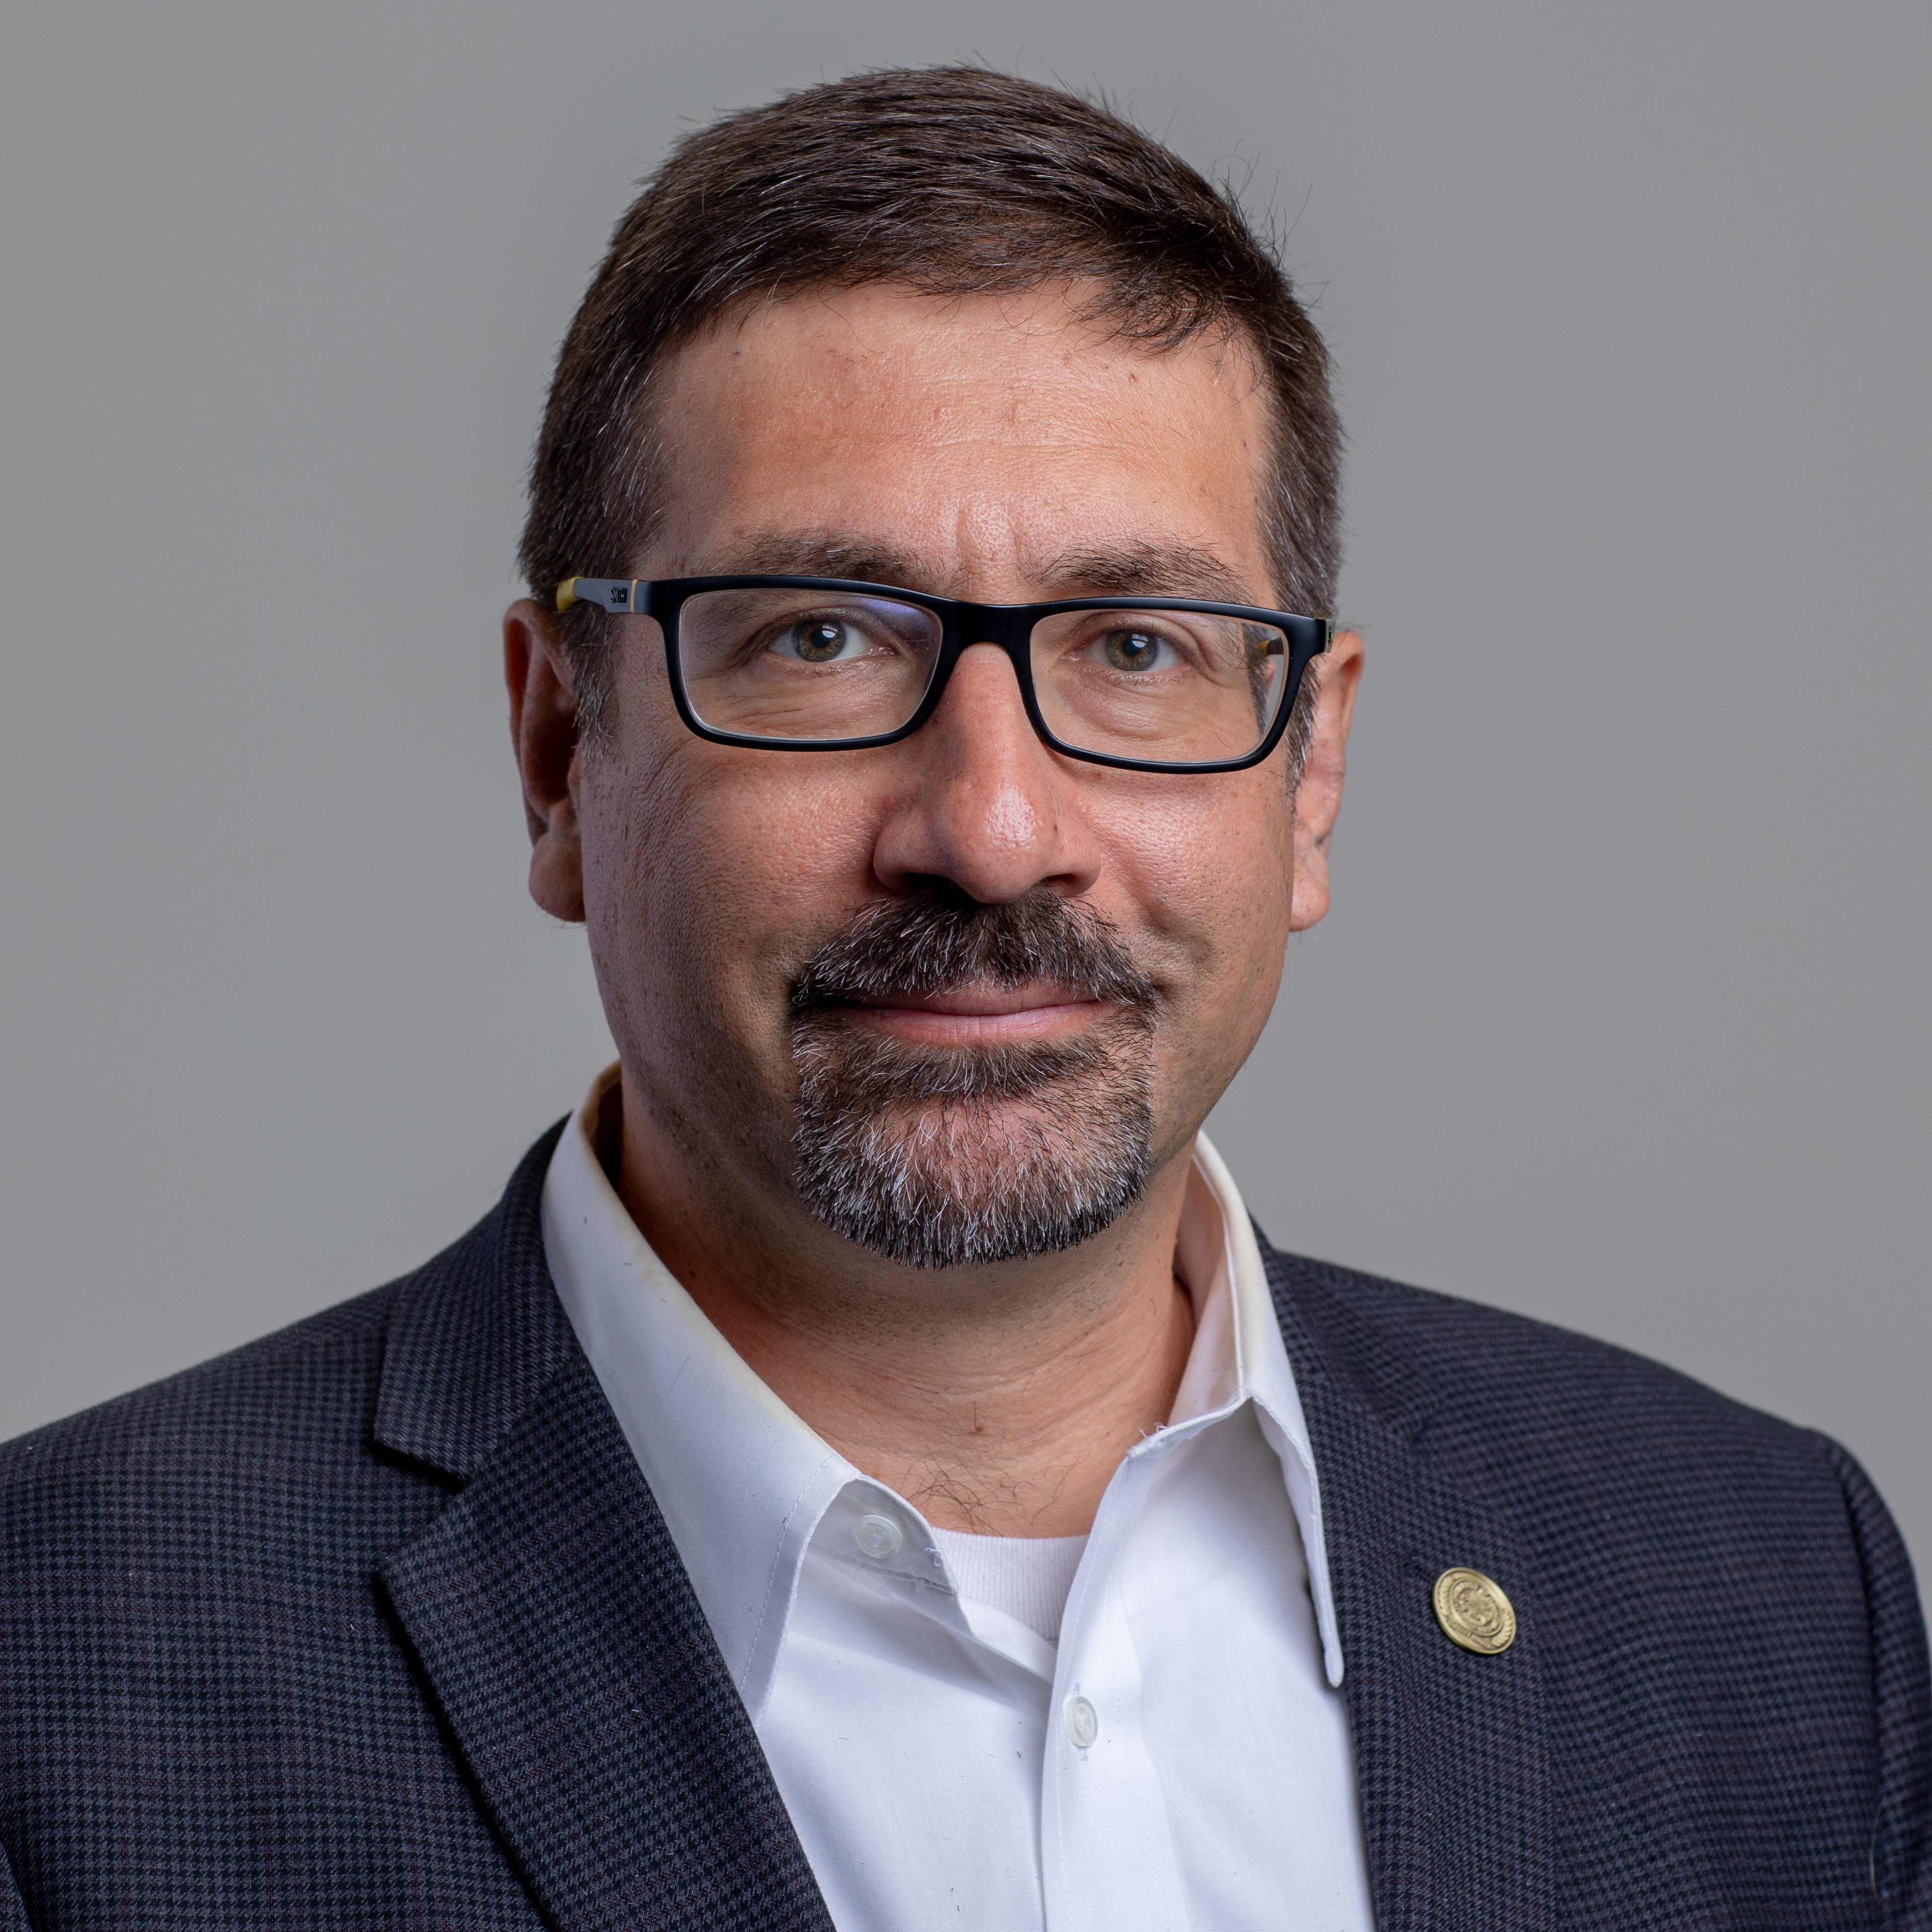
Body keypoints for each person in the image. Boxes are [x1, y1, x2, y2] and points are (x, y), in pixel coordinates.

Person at [0, 64, 1924, 1931]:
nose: (995, 831)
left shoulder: (1758, 1588)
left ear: (1309, 772)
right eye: (820, 639)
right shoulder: (57, 1672)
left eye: (1141, 646)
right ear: (555, 749)